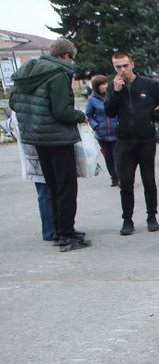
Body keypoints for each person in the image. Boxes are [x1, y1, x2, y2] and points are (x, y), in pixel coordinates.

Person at [9, 37, 90, 252]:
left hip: (36, 138)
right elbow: (62, 111)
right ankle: (66, 235)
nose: (72, 63)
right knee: (66, 188)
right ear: (65, 56)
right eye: (71, 58)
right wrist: (80, 115)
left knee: (53, 186)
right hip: (57, 138)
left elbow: (13, 103)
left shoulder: (28, 71)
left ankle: (59, 230)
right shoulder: (58, 74)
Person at [105, 51, 159, 235]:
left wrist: (154, 116)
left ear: (132, 64)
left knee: (149, 181)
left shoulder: (149, 85)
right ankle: (127, 220)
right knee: (125, 183)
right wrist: (116, 93)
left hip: (145, 139)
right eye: (118, 67)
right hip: (125, 141)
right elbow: (109, 112)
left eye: (125, 65)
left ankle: (152, 216)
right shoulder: (114, 87)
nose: (122, 70)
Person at [10, 111, 55, 241]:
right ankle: (52, 230)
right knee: (47, 192)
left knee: (45, 192)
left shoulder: (17, 107)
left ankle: (51, 229)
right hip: (41, 151)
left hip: (32, 154)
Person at [84, 74, 120, 187]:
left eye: (105, 83)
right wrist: (96, 126)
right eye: (101, 84)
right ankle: (113, 177)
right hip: (102, 134)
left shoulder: (112, 95)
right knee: (108, 157)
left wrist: (120, 122)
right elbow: (89, 115)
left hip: (116, 132)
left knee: (117, 156)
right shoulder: (92, 99)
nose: (104, 86)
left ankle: (120, 178)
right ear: (96, 86)